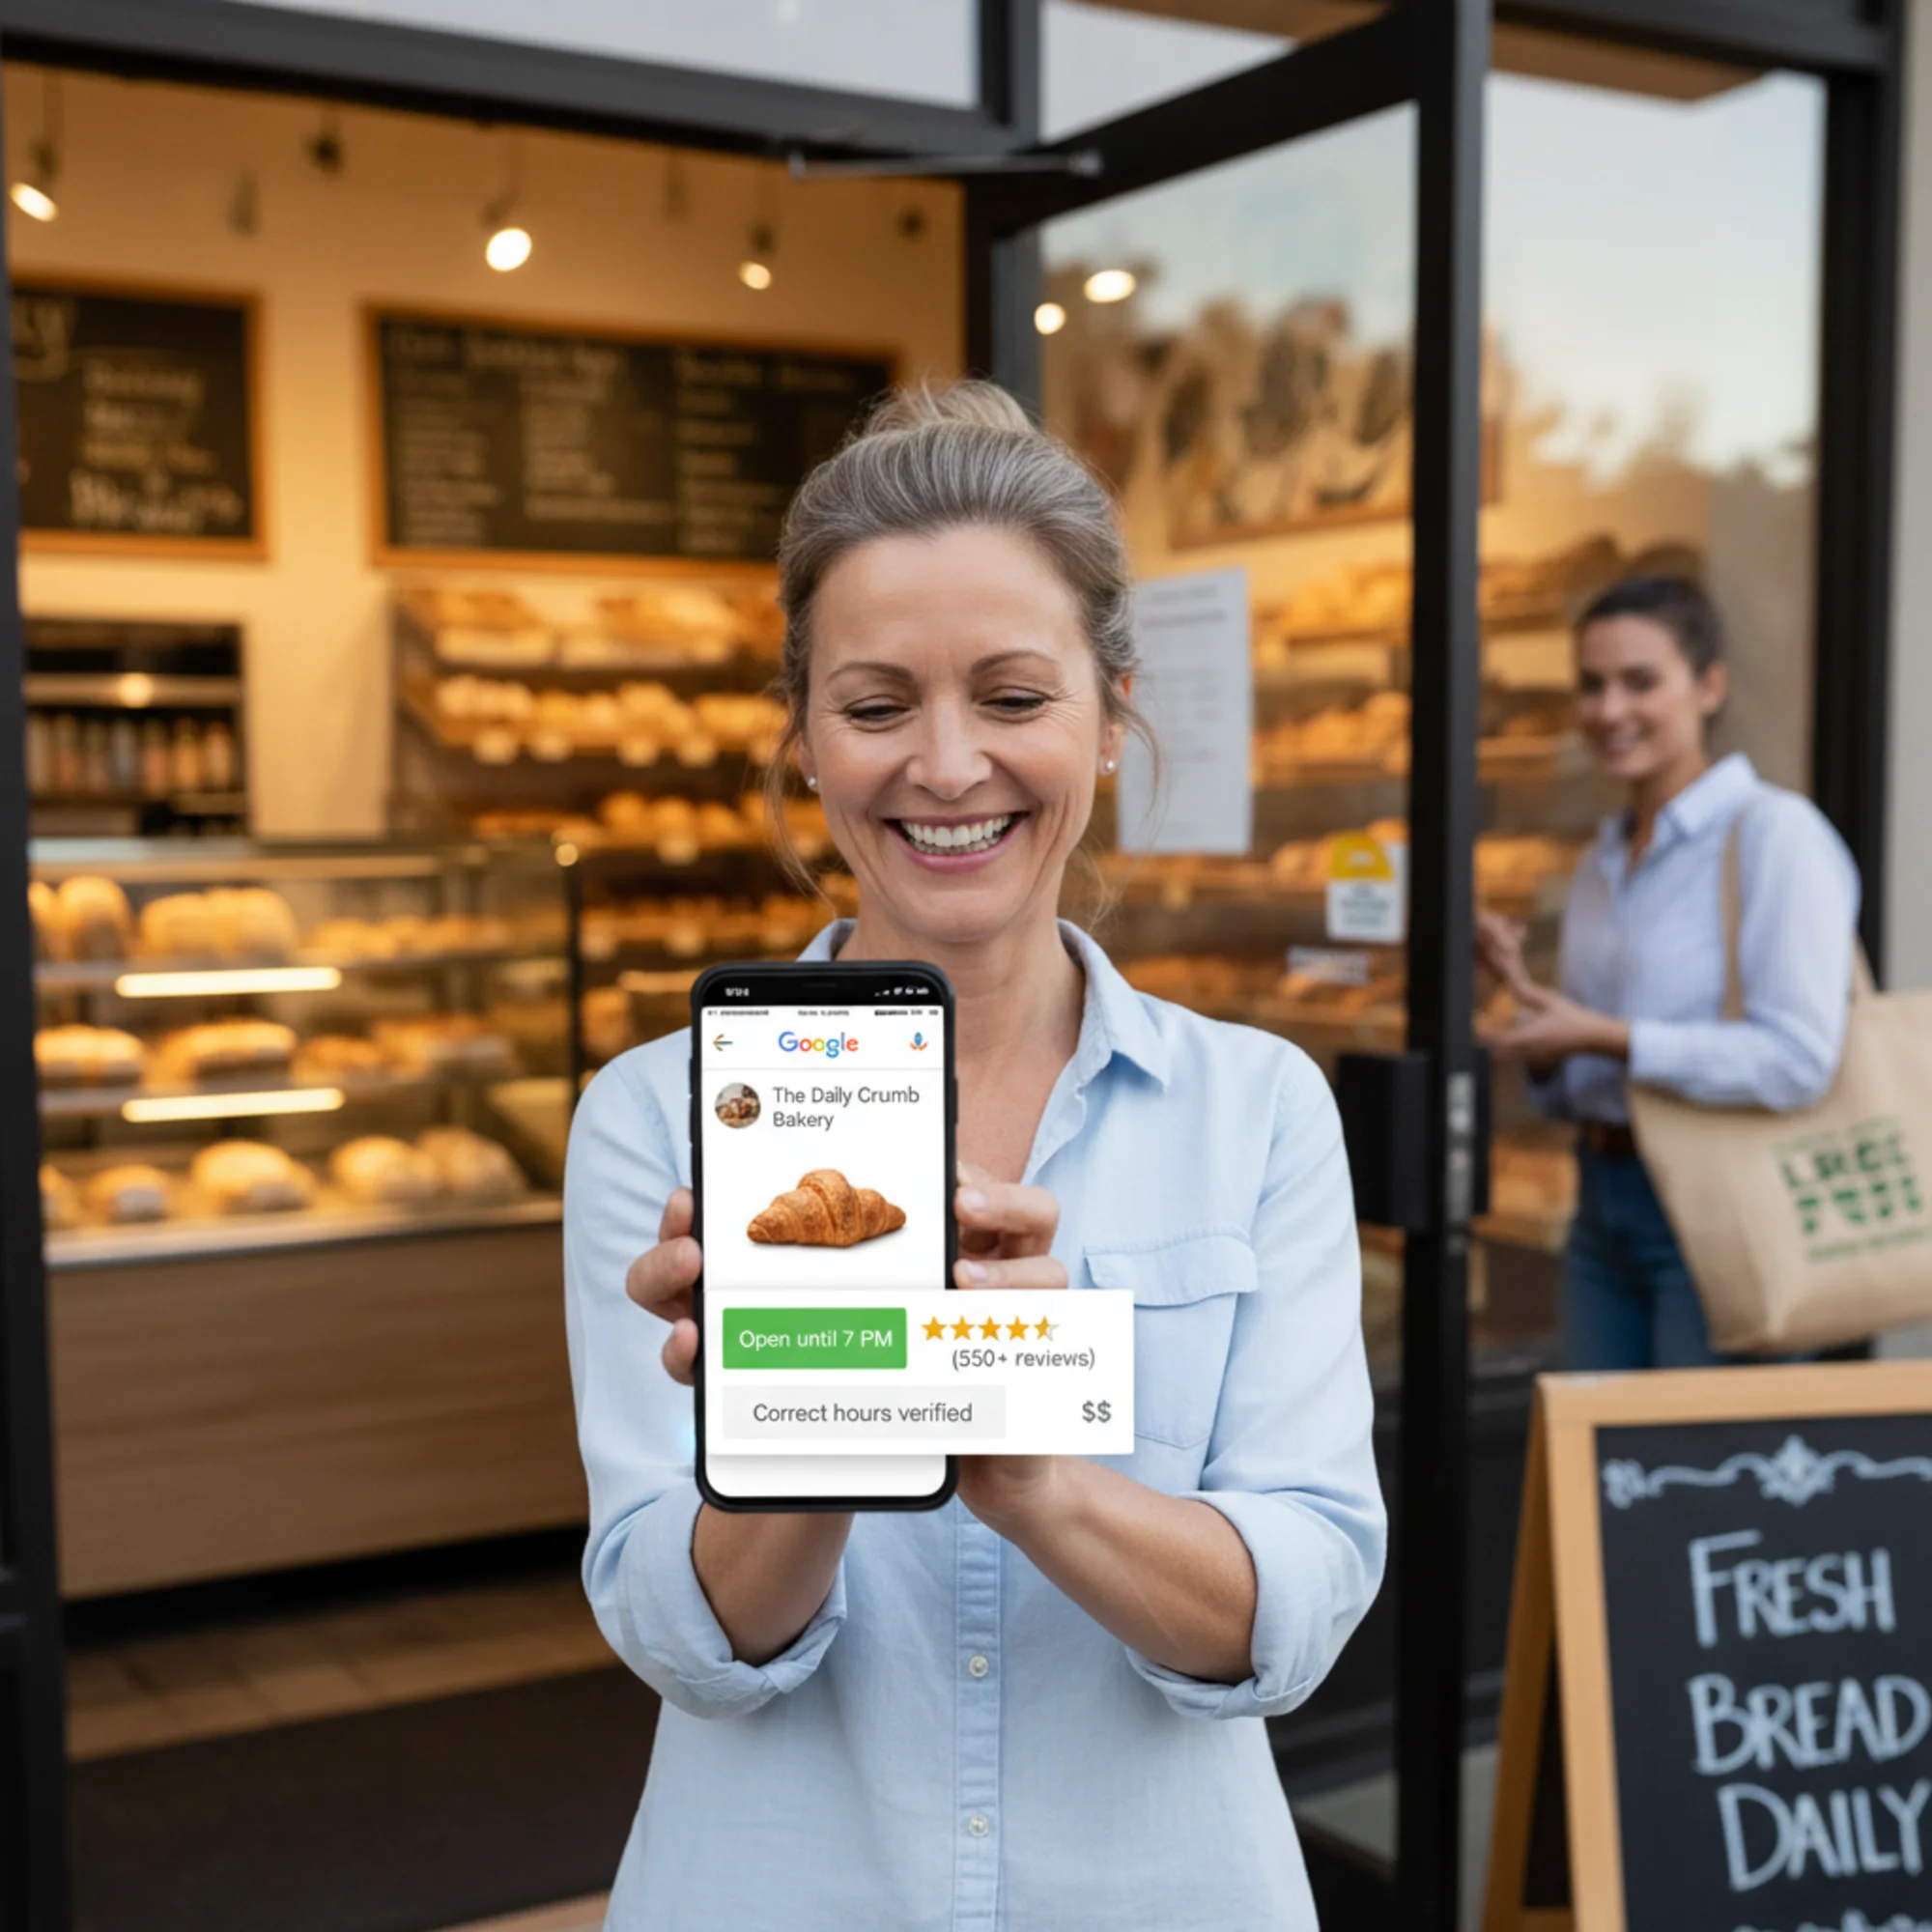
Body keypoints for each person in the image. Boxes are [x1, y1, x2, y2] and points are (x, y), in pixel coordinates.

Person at [563, 382, 1384, 1929]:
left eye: (1014, 698)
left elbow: (1304, 1603)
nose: (947, 768)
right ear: (803, 734)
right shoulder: (657, 1119)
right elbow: (679, 1634)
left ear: (1111, 709)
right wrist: (830, 1415)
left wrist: (1026, 1473)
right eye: (876, 707)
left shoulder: (1259, 1106)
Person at [1480, 575, 1860, 1371]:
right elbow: (1588, 1068)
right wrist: (1542, 1032)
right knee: (1605, 1475)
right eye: (1591, 685)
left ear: (1709, 686)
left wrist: (1608, 1036)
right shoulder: (1600, 861)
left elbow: (1797, 1059)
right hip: (1601, 1202)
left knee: (1702, 1478)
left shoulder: (1773, 835)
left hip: (1723, 1202)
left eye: (1640, 682)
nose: (1609, 710)